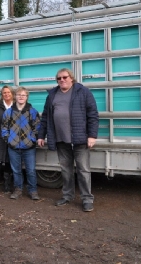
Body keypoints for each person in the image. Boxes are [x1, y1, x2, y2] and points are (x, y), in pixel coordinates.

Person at [37, 68, 99, 212]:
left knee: (83, 170)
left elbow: (93, 115)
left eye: (65, 77)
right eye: (59, 78)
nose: (62, 80)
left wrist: (92, 135)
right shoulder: (52, 95)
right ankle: (67, 195)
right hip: (60, 139)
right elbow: (45, 116)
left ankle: (87, 199)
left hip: (80, 139)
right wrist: (41, 135)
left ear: (71, 78)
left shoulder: (83, 92)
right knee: (66, 170)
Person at [2, 87, 41, 200]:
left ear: (26, 97)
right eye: (19, 95)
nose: (21, 97)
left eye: (23, 95)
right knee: (16, 170)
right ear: (15, 96)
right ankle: (18, 190)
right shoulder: (8, 112)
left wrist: (32, 139)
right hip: (13, 147)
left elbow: (37, 127)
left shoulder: (32, 111)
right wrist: (8, 139)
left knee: (31, 170)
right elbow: (4, 127)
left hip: (29, 147)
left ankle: (33, 191)